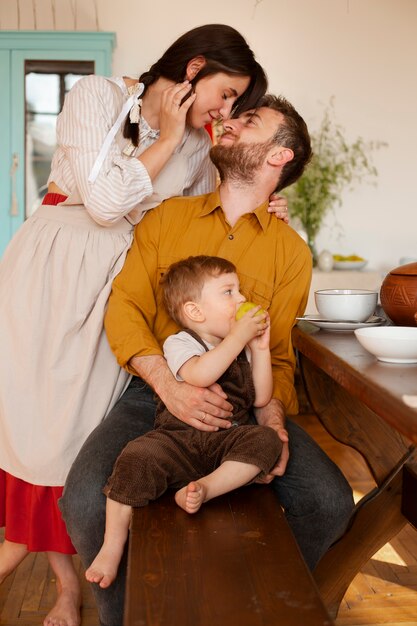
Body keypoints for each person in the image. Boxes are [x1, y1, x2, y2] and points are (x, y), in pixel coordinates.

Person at [0, 24, 292, 626]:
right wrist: (169, 134)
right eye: (228, 92)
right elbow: (106, 202)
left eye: (238, 104)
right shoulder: (96, 97)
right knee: (37, 433)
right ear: (195, 67)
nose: (227, 110)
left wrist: (270, 203)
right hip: (56, 270)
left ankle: (66, 588)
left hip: (116, 283)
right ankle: (54, 580)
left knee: (78, 436)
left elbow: (210, 215)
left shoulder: (198, 147)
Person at [61, 93, 355, 626]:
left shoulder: (291, 252)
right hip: (153, 395)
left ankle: (257, 608)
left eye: (250, 122)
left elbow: (281, 352)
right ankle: (124, 618)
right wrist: (167, 384)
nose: (230, 124)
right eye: (235, 115)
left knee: (330, 503)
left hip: (247, 406)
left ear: (278, 156)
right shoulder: (167, 218)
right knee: (82, 501)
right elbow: (124, 309)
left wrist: (271, 417)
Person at [86, 254, 282, 589]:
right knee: (134, 458)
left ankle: (207, 487)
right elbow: (201, 373)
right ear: (195, 311)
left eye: (240, 291)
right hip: (176, 441)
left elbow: (261, 398)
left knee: (268, 440)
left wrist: (260, 350)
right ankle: (112, 544)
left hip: (225, 439)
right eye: (229, 292)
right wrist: (239, 338)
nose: (242, 300)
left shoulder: (242, 347)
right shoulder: (181, 343)